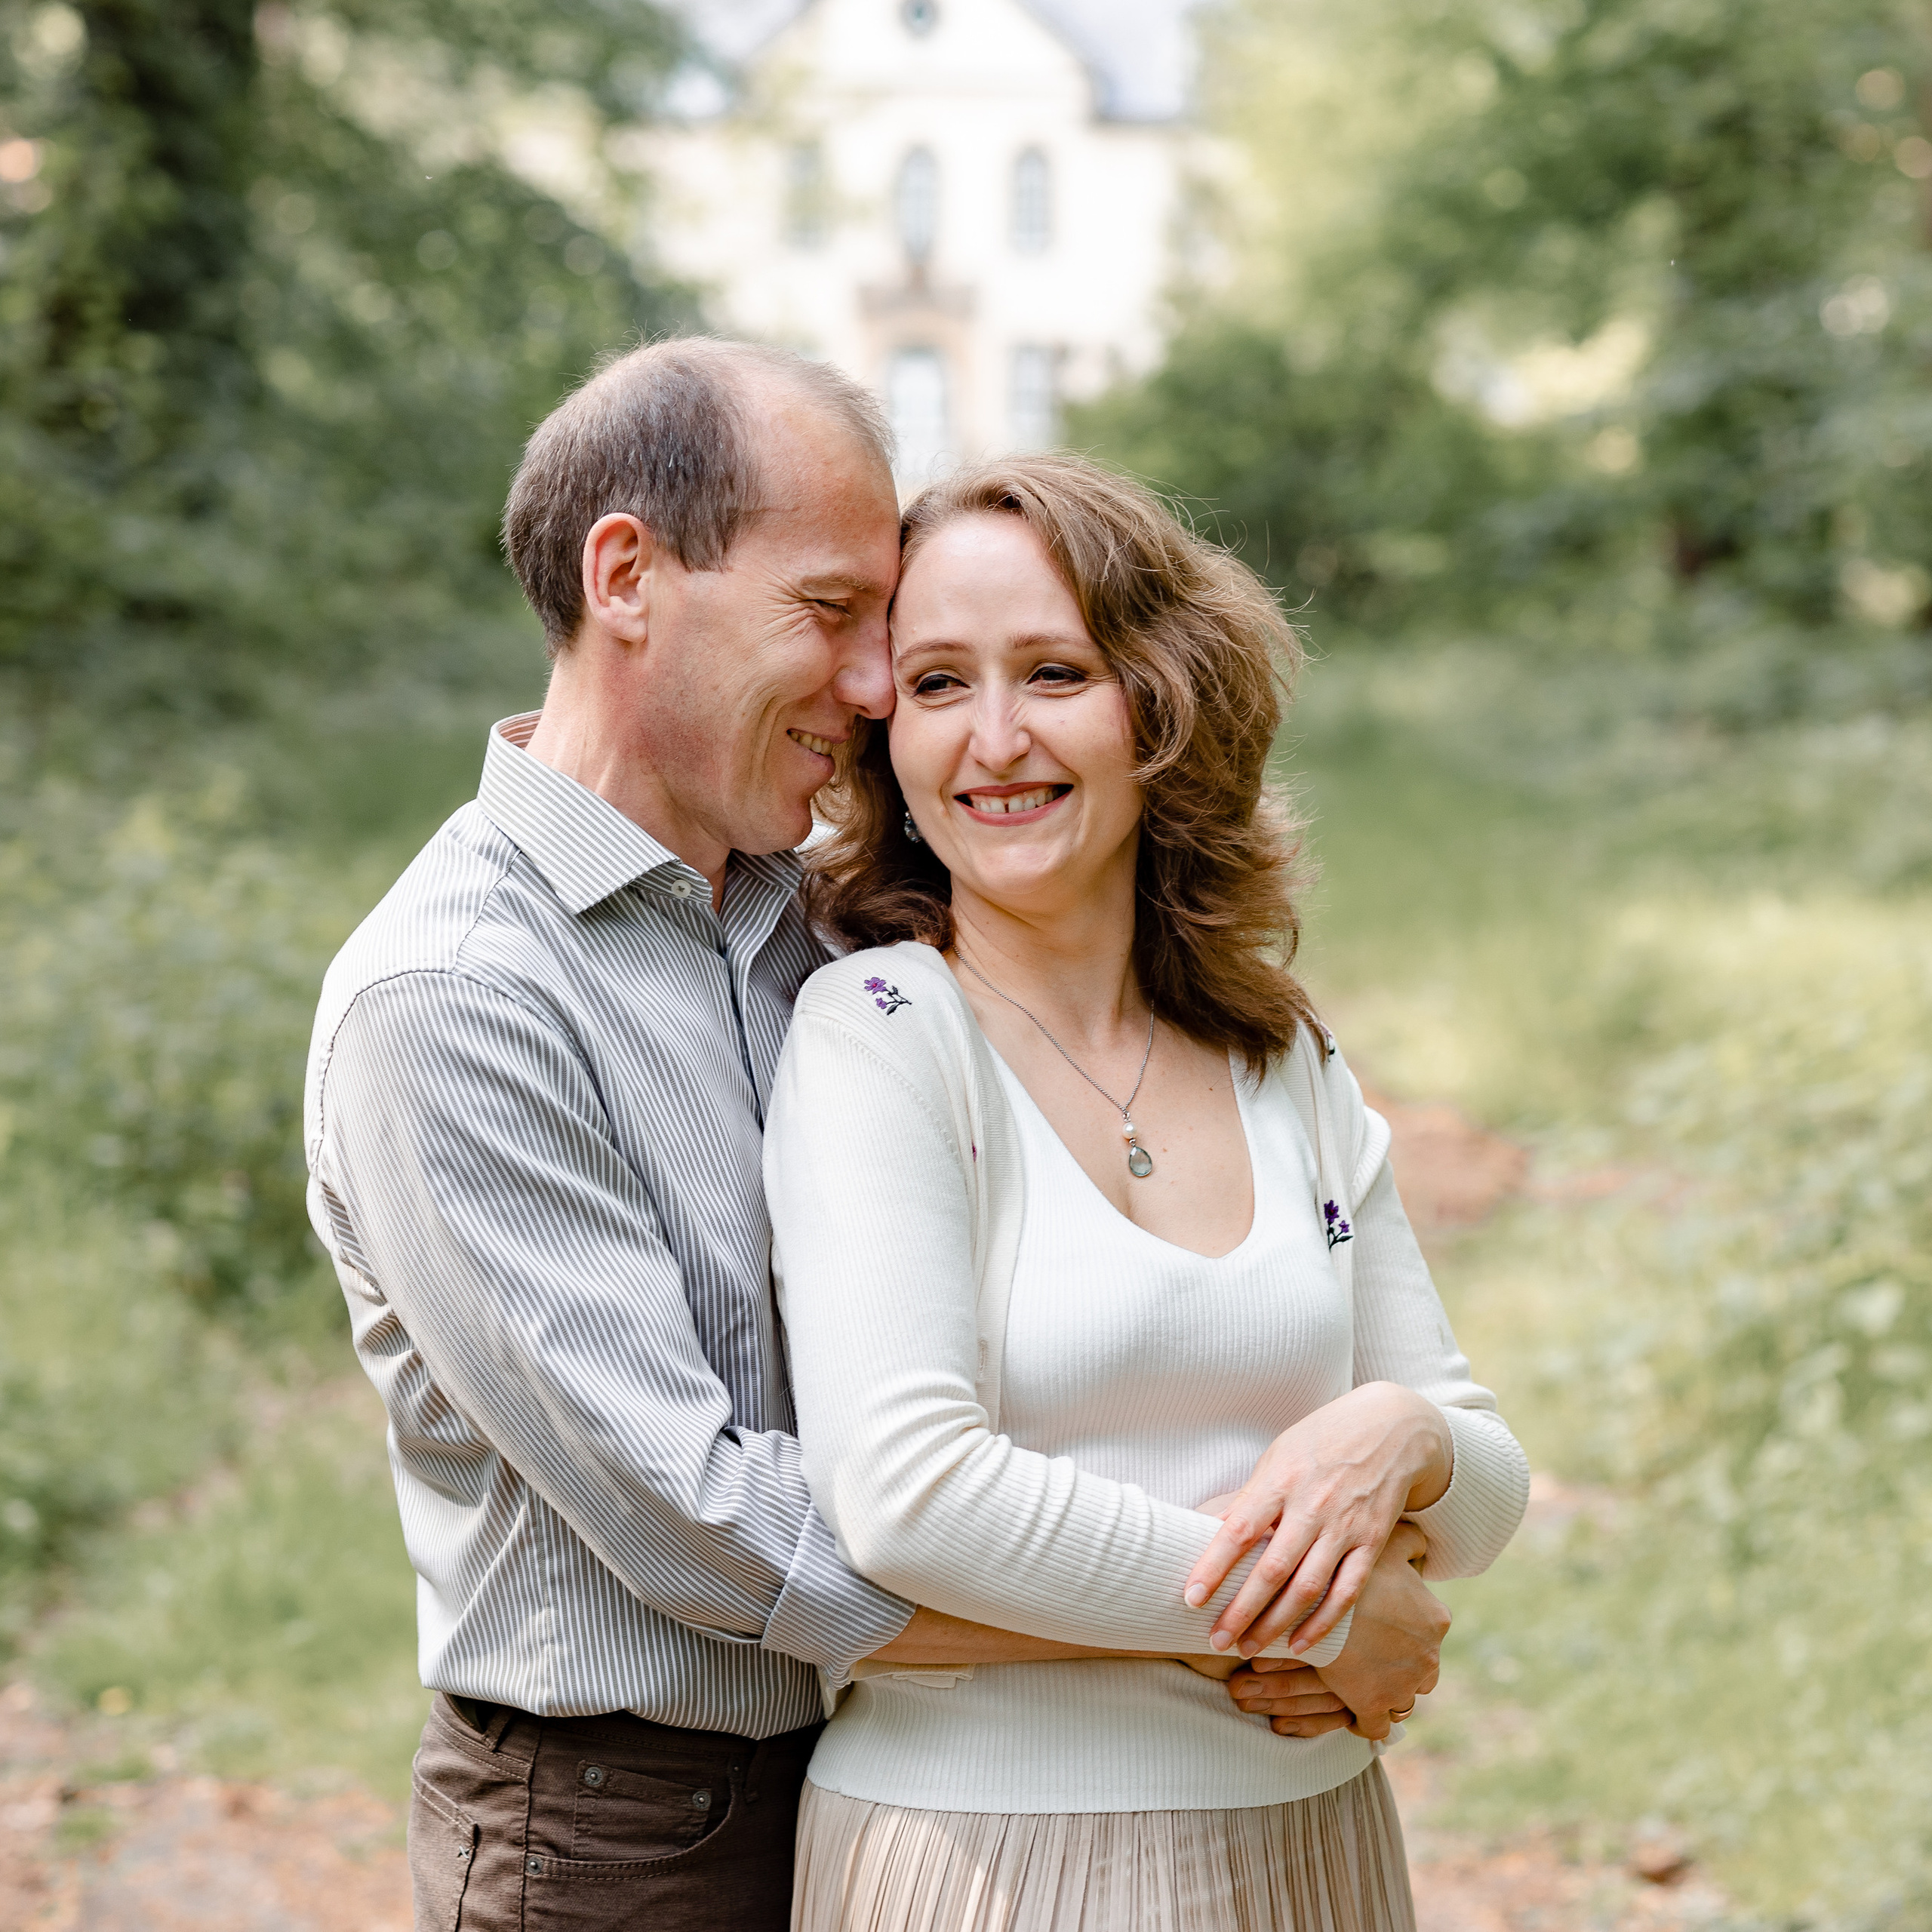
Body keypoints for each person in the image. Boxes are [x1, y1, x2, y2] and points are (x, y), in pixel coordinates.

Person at [303, 341, 1455, 1932]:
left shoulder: (824, 928)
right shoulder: (453, 999)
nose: (870, 686)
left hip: (880, 1762)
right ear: (627, 578)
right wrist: (1278, 1613)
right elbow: (714, 1529)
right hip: (628, 1832)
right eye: (834, 613)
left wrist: (1373, 1460)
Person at [766, 454, 1531, 1932]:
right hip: (986, 1858)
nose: (994, 738)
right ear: (885, 738)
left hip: (1312, 1844)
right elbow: (908, 1492)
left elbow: (1483, 1489)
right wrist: (1317, 1612)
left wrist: (1398, 1433)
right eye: (936, 684)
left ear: (1161, 703)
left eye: (1054, 672)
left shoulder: (1277, 1054)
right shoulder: (881, 1032)